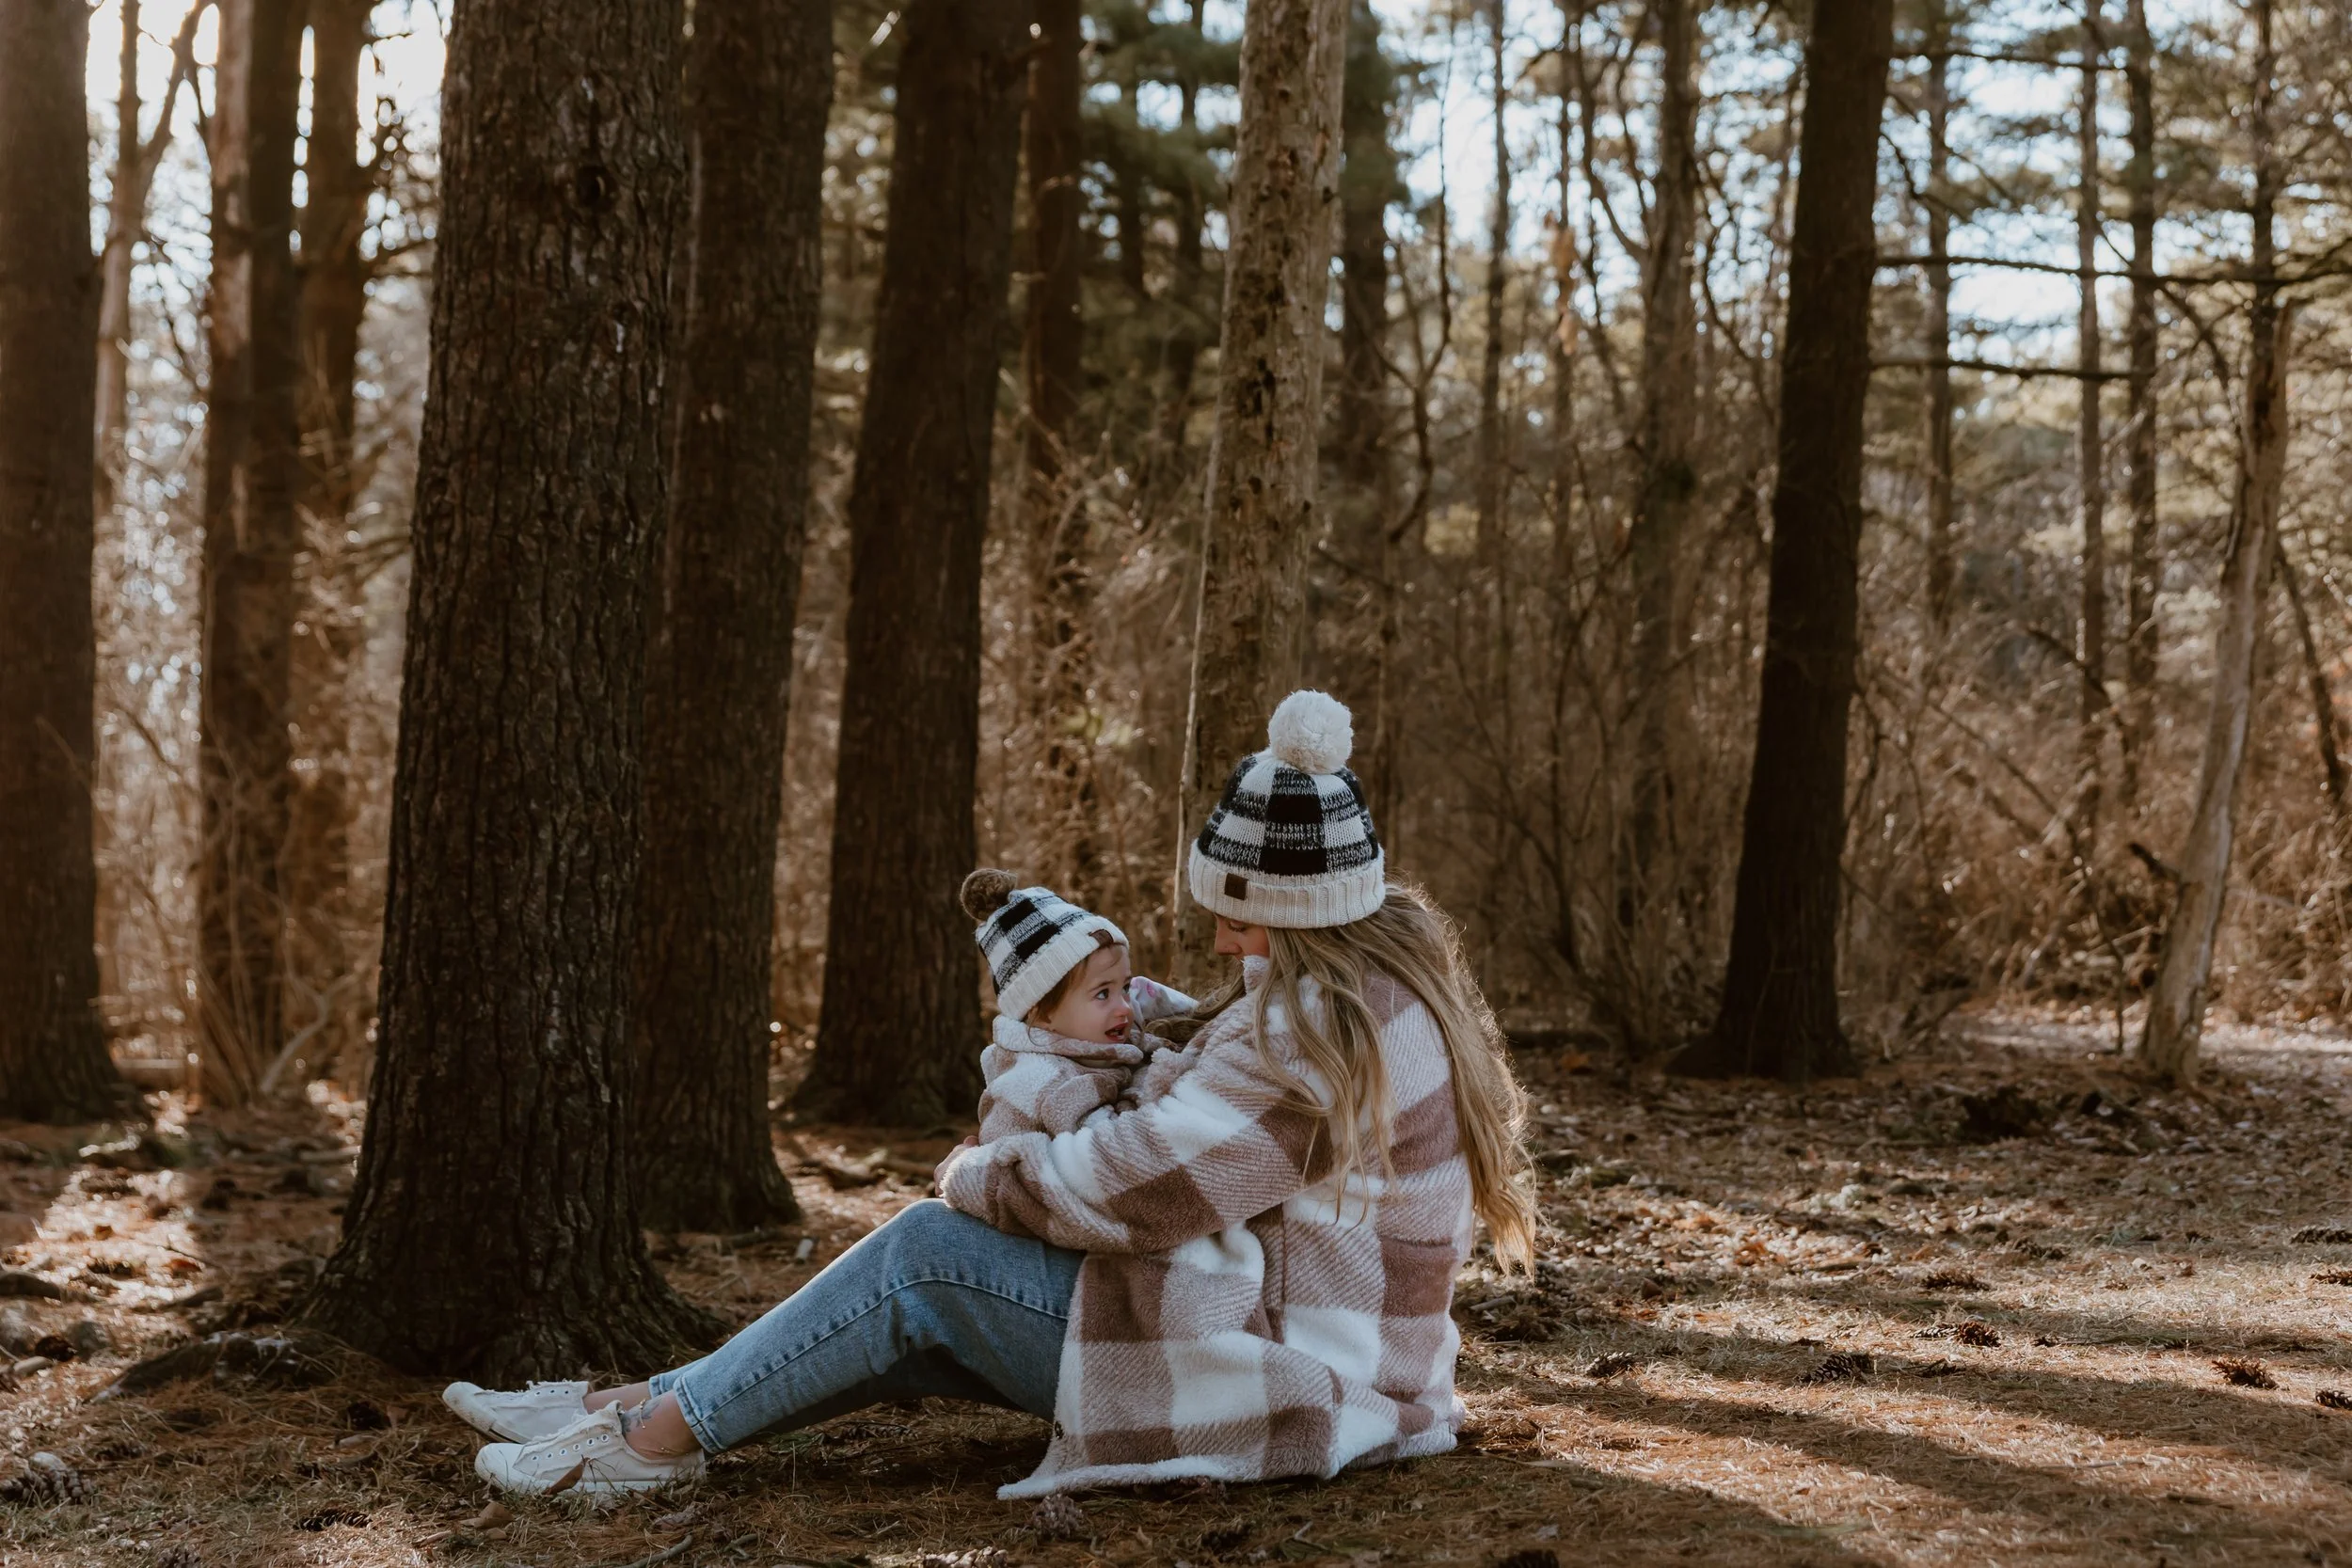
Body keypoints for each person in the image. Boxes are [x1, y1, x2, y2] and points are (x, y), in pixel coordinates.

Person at [446, 689, 1534, 1498]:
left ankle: (646, 1447)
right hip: (1292, 1337)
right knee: (919, 1313)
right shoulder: (1359, 988)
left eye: (1239, 916)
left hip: (1294, 1379)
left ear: (1304, 912)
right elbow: (1197, 1112)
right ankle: (640, 1404)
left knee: (928, 1253)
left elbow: (1133, 1192)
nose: (1220, 938)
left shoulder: (1327, 1029)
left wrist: (979, 1172)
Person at [958, 869, 1196, 1141]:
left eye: (1125, 988)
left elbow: (1188, 1015)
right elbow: (1109, 1149)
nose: (1125, 1008)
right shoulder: (1045, 1083)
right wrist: (1156, 1078)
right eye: (1103, 994)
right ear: (1042, 1013)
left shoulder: (1101, 1039)